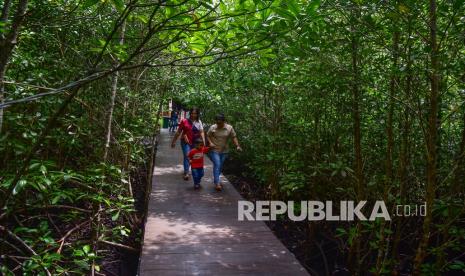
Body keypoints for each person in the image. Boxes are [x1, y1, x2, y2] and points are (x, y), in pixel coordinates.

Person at [207, 113, 242, 191]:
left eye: (220, 122)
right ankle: (217, 183)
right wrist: (210, 143)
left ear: (224, 121)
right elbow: (208, 135)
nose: (218, 124)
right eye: (217, 122)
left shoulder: (229, 128)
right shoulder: (213, 127)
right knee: (217, 164)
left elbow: (234, 137)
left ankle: (216, 178)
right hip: (214, 149)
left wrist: (237, 145)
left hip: (224, 151)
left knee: (220, 165)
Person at [171, 107, 206, 180]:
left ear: (197, 114)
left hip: (195, 142)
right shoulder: (184, 121)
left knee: (192, 156)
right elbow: (178, 132)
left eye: (195, 113)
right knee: (187, 156)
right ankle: (186, 172)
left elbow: (201, 132)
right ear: (190, 114)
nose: (194, 115)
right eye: (192, 113)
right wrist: (173, 141)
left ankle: (190, 169)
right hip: (185, 141)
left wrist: (203, 141)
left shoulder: (199, 122)